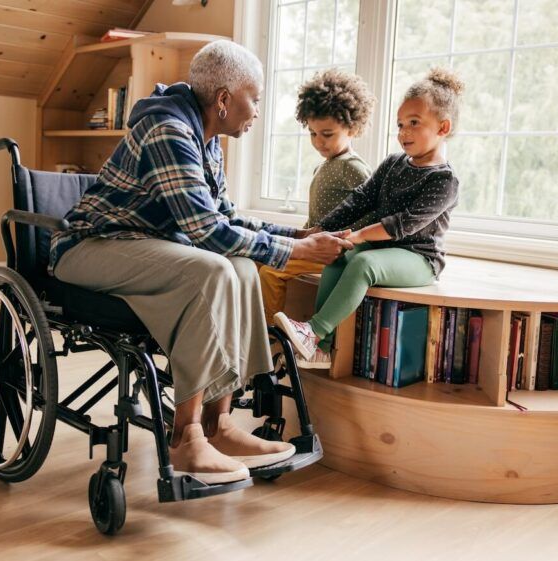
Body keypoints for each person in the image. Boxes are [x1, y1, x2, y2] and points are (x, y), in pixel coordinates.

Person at [50, 40, 353, 484]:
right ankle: (186, 436)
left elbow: (225, 219)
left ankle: (219, 422)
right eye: (256, 99)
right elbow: (204, 232)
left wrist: (296, 236)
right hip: (89, 248)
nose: (257, 112)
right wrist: (297, 253)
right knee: (210, 268)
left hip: (144, 246)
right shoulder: (169, 130)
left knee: (245, 267)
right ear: (225, 100)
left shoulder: (207, 141)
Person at [274, 67, 465, 369]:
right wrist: (322, 229)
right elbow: (360, 199)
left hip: (419, 258)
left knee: (363, 263)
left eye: (414, 123)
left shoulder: (444, 180)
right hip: (384, 249)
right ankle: (320, 349)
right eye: (400, 124)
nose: (403, 132)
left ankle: (315, 331)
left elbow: (405, 224)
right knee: (339, 253)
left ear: (443, 128)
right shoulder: (393, 164)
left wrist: (360, 236)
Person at [258, 69, 377, 346]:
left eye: (327, 134)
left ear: (353, 128)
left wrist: (350, 242)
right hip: (316, 244)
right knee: (260, 261)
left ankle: (271, 338)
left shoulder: (354, 168)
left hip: (335, 252)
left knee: (271, 271)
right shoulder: (325, 165)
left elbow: (374, 210)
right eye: (312, 133)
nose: (318, 142)